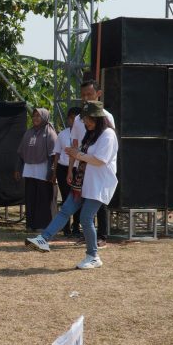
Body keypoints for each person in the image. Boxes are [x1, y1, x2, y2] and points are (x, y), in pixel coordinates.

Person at [27, 101, 119, 270]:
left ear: (99, 118)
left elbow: (100, 160)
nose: (86, 123)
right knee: (65, 210)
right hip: (83, 182)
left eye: (89, 119)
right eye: (84, 120)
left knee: (86, 217)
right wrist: (73, 159)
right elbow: (84, 156)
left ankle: (93, 256)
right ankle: (43, 239)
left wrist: (78, 154)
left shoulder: (108, 135)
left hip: (99, 184)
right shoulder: (91, 135)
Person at [68, 79, 116, 240]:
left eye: (90, 94)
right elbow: (74, 144)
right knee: (82, 200)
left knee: (97, 202)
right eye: (83, 95)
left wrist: (85, 156)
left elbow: (107, 148)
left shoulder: (107, 117)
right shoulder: (77, 119)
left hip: (99, 166)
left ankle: (101, 235)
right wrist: (71, 168)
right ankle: (88, 234)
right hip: (82, 166)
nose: (86, 97)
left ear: (98, 94)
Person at [15, 107, 58, 231]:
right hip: (29, 169)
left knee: (43, 198)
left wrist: (51, 171)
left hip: (43, 170)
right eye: (34, 116)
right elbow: (21, 153)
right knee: (30, 197)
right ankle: (30, 224)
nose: (35, 118)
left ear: (44, 117)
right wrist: (18, 168)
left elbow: (54, 155)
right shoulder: (28, 133)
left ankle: (43, 225)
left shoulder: (50, 133)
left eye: (38, 116)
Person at [54, 106, 84, 236]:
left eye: (75, 118)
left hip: (78, 169)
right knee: (66, 198)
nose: (72, 121)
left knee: (77, 198)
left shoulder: (84, 134)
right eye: (70, 118)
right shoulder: (62, 134)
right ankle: (66, 228)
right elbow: (57, 154)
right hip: (63, 168)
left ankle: (76, 226)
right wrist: (54, 171)